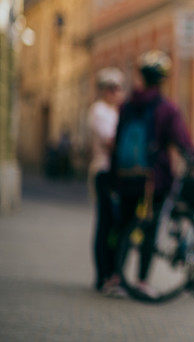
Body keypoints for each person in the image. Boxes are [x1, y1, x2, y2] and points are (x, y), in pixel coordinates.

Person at [108, 50, 194, 298]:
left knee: (123, 224)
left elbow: (118, 140)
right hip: (154, 179)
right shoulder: (167, 109)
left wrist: (115, 175)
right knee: (150, 228)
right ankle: (142, 280)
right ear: (163, 79)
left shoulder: (127, 106)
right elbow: (184, 143)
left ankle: (115, 278)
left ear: (141, 76)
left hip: (126, 176)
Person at [87, 67, 125, 293]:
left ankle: (112, 272)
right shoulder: (99, 111)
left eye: (118, 88)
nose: (115, 92)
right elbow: (110, 141)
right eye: (110, 88)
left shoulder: (117, 112)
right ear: (102, 90)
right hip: (103, 171)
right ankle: (102, 275)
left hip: (115, 173)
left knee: (113, 224)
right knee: (105, 223)